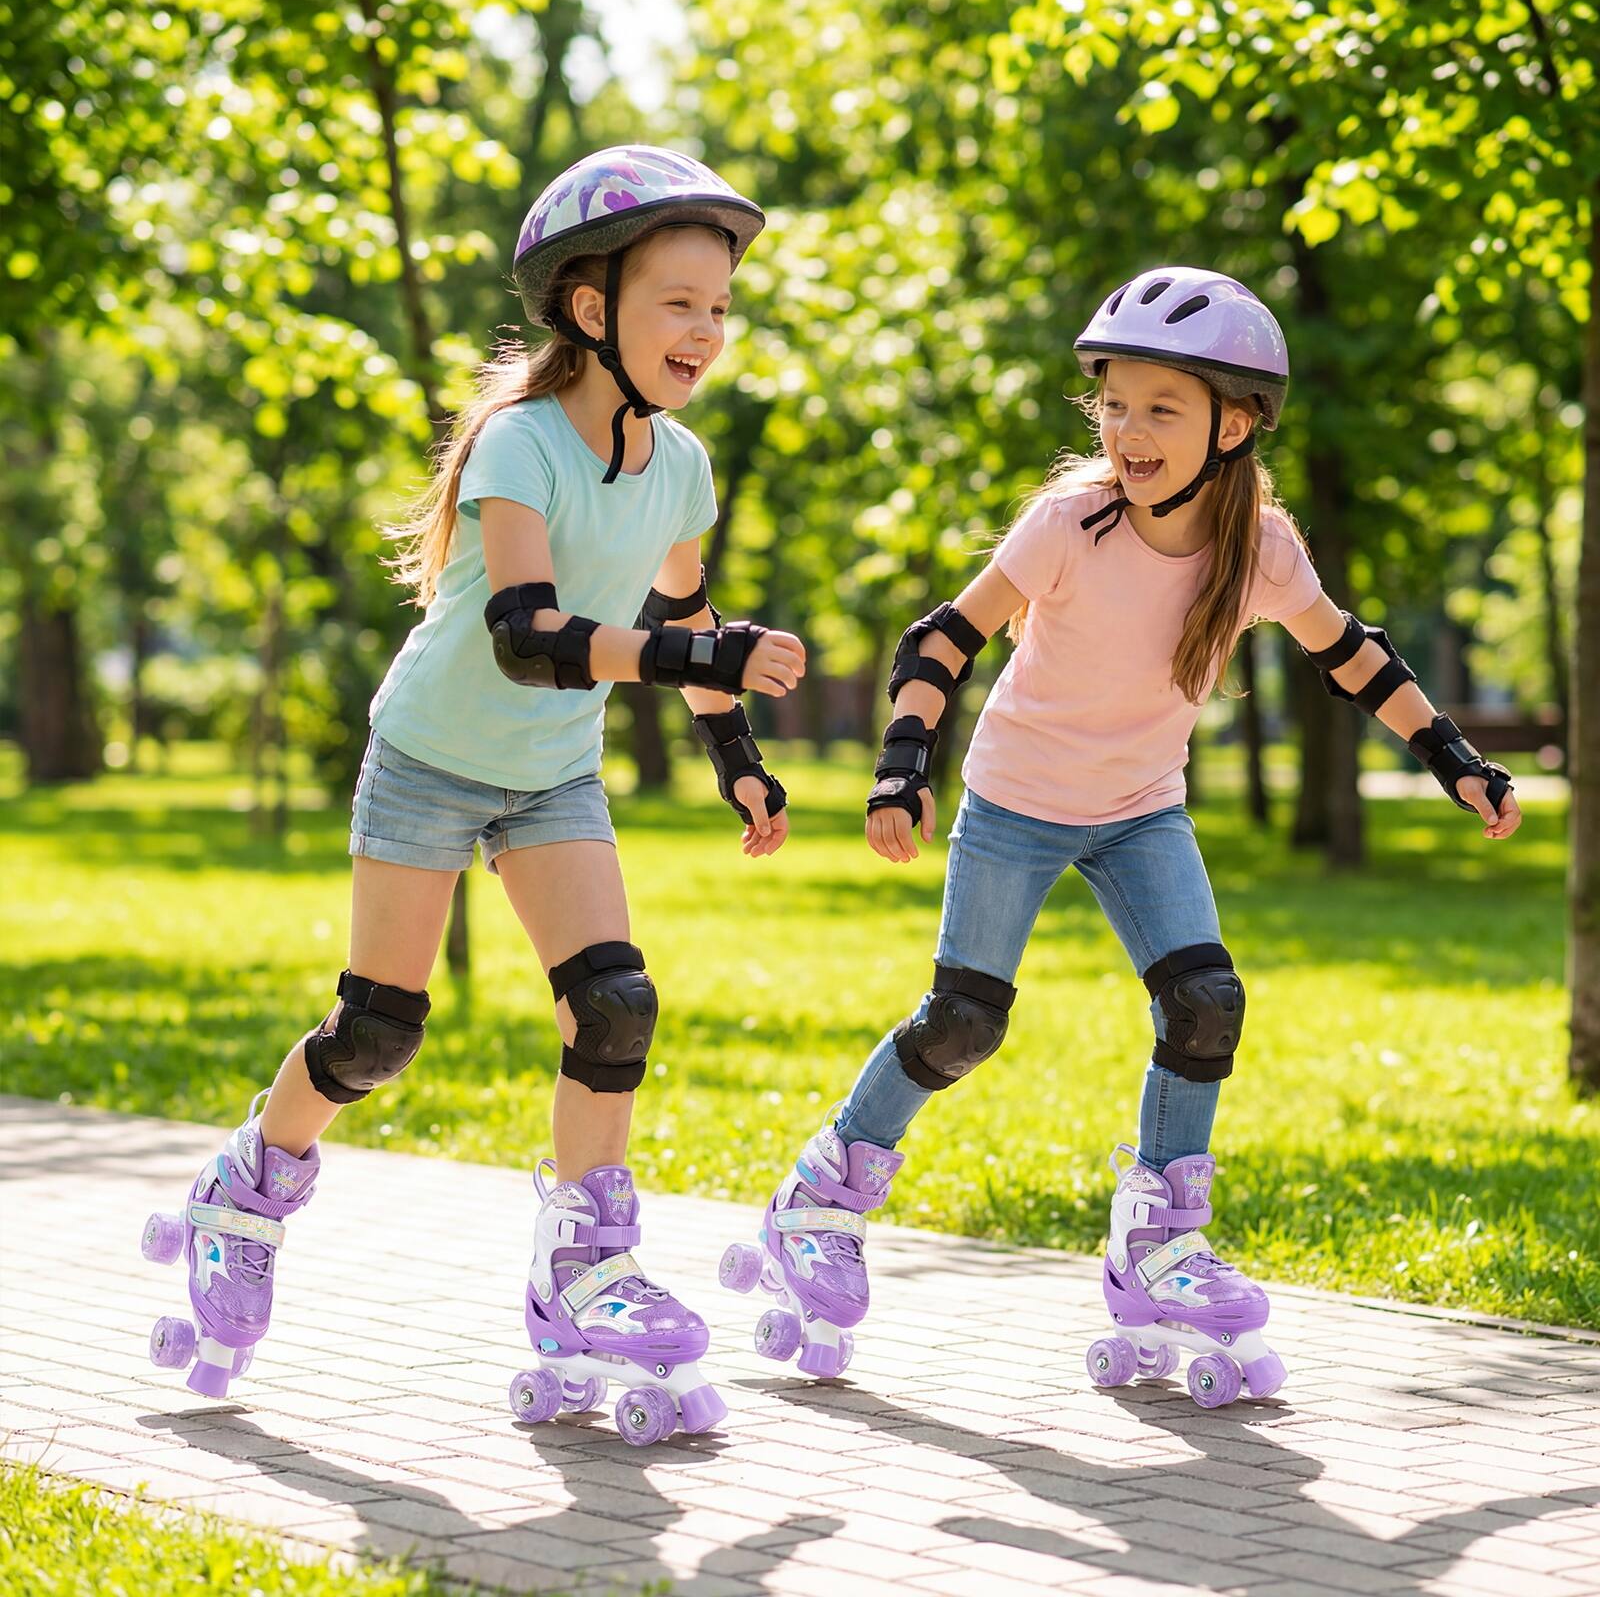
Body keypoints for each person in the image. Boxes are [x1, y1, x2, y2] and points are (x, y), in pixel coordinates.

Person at [721, 265, 1519, 1406]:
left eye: (1162, 408)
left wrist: (1454, 761)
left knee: (1205, 1003)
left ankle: (1157, 1241)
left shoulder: (1261, 548)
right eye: (1114, 402)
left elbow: (1353, 655)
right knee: (963, 1022)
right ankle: (820, 1195)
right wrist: (902, 768)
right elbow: (940, 640)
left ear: (1231, 424)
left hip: (1141, 808)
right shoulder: (1070, 521)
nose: (1127, 429)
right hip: (1013, 802)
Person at [141, 146, 805, 1446]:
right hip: (434, 757)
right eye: (679, 302)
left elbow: (681, 610)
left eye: (720, 307)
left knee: (615, 1002)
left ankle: (586, 1268)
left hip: (551, 769)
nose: (707, 331)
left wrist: (737, 758)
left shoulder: (680, 467)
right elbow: (528, 631)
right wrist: (698, 659)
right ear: (589, 306)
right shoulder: (520, 443)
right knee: (379, 1032)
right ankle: (248, 1189)